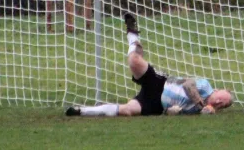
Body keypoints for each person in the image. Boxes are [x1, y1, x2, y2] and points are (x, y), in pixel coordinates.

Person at [65, 13, 233, 117]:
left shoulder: (202, 112)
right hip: (161, 83)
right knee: (134, 61)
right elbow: (189, 84)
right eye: (220, 98)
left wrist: (174, 113)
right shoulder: (205, 87)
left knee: (127, 111)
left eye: (222, 104)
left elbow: (173, 112)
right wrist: (201, 105)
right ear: (217, 91)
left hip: (156, 105)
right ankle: (132, 35)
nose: (218, 102)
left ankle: (80, 111)